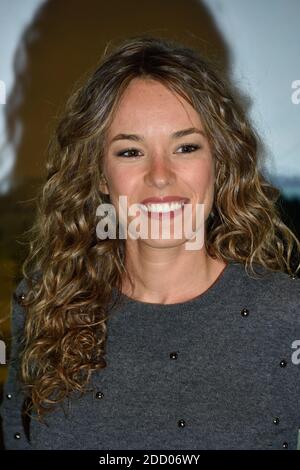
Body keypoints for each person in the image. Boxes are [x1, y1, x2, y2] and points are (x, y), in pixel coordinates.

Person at [1, 34, 300, 451]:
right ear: (100, 176)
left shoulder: (288, 317)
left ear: (220, 163)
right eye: (130, 152)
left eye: (186, 147)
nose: (160, 176)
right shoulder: (44, 303)